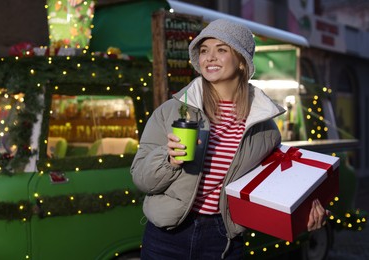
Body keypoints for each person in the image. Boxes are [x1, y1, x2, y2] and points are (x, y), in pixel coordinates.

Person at [131, 18, 328, 259]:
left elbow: (274, 183)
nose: (209, 57)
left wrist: (306, 209)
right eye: (204, 50)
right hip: (168, 234)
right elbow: (141, 179)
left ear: (242, 62)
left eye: (221, 50)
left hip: (223, 237)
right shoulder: (172, 111)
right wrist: (169, 160)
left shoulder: (263, 128)